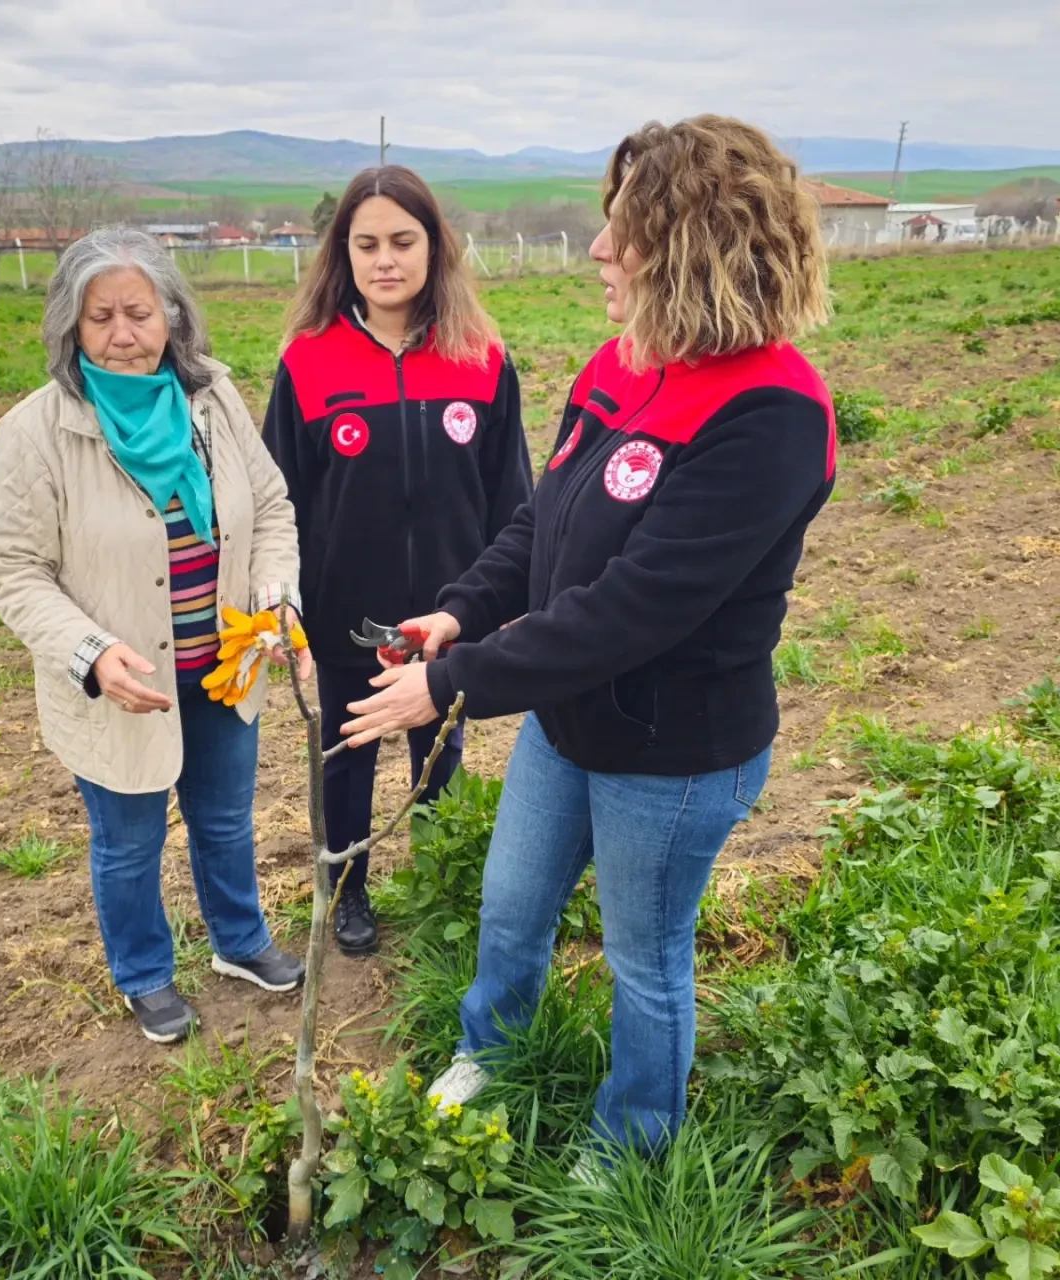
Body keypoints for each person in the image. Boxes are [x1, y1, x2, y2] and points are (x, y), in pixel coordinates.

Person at [338, 117, 836, 1168]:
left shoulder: (773, 414)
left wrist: (451, 683)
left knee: (642, 955)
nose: (599, 252)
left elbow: (631, 608)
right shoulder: (622, 362)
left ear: (692, 249)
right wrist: (460, 611)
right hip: (568, 722)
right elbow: (540, 520)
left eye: (623, 234)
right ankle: (492, 1050)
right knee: (510, 909)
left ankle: (630, 1146)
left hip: (673, 752)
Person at [0, 227, 307, 1045]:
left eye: (139, 312)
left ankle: (238, 942)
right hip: (122, 687)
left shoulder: (214, 400)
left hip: (224, 666)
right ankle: (145, 974)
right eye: (100, 318)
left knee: (226, 819)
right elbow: (12, 568)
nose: (123, 335)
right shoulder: (35, 432)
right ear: (70, 329)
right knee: (128, 842)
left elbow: (269, 507)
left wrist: (275, 594)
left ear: (173, 319)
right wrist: (91, 655)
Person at [262, 166, 532, 956]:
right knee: (347, 754)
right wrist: (289, 603)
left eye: (403, 241)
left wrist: (497, 602)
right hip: (346, 607)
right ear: (343, 255)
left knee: (440, 751)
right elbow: (281, 496)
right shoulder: (309, 363)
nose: (386, 260)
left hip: (449, 613)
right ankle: (347, 888)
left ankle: (440, 883)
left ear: (434, 247)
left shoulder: (481, 357)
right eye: (367, 244)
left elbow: (511, 493)